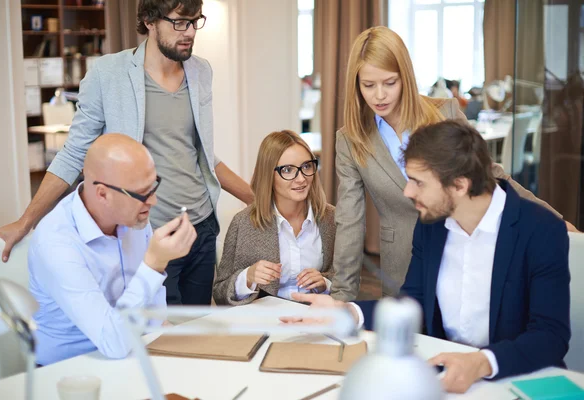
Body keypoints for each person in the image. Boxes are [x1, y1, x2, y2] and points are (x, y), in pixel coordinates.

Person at [0, 0, 254, 305]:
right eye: (180, 22)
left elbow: (204, 156)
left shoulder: (200, 72)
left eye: (195, 22)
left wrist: (258, 200)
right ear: (149, 20)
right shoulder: (109, 74)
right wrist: (26, 221)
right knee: (155, 339)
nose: (190, 33)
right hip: (147, 234)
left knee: (196, 336)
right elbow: (74, 153)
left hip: (200, 229)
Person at [284, 121, 570, 393]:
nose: (407, 192)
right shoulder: (431, 225)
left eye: (418, 182)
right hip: (444, 376)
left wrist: (482, 362)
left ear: (460, 185)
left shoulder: (541, 230)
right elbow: (414, 304)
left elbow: (550, 336)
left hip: (513, 378)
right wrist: (349, 312)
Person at [330, 26, 570, 302]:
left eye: (390, 82)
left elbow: (490, 175)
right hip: (403, 264)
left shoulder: (444, 112)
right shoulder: (350, 140)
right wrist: (340, 299)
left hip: (464, 249)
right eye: (368, 85)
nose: (379, 95)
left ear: (405, 77)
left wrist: (552, 219)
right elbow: (349, 220)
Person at [29, 134, 198, 365]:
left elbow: (154, 316)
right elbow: (112, 343)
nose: (154, 201)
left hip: (133, 352)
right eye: (142, 193)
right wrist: (154, 265)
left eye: (154, 186)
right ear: (102, 193)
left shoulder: (133, 218)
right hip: (70, 371)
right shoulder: (57, 244)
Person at [213, 131, 336, 305]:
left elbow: (349, 283)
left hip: (316, 319)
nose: (301, 178)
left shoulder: (332, 219)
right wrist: (247, 278)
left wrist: (326, 283)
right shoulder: (243, 222)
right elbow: (220, 293)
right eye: (287, 170)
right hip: (263, 322)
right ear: (268, 175)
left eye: (307, 166)